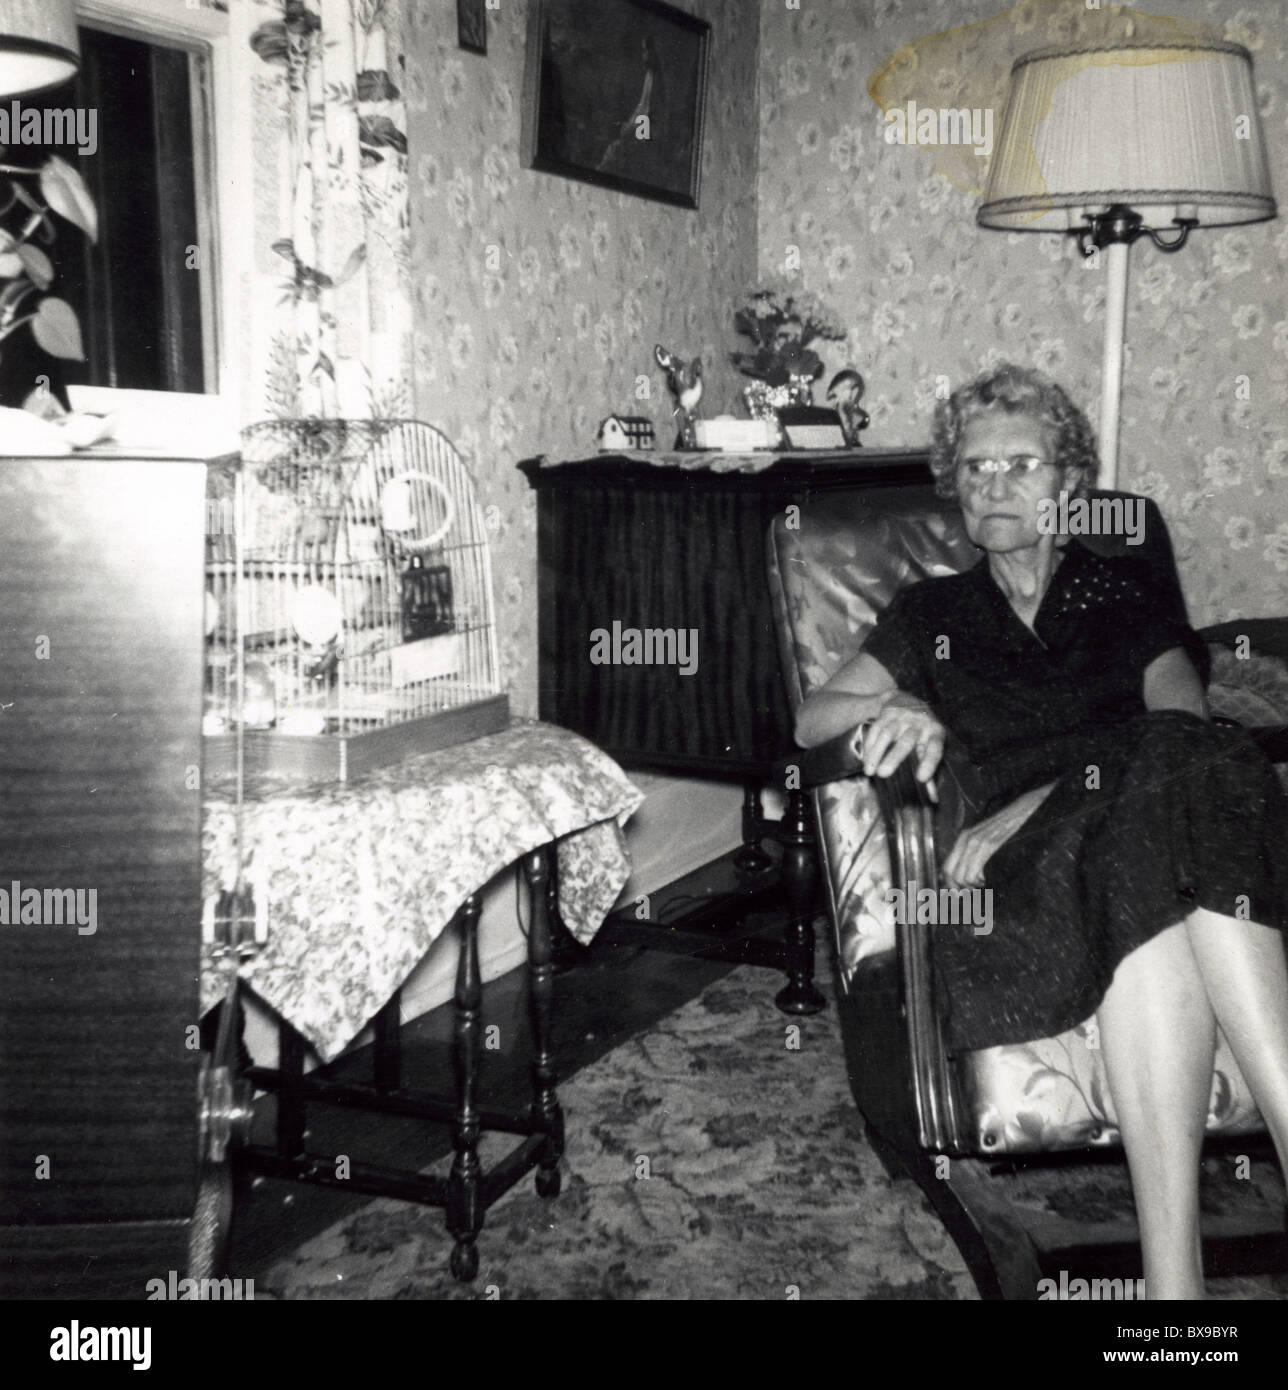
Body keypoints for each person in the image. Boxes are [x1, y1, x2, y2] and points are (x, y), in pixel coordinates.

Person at [795, 363, 1288, 1300]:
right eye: (975, 470)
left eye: (1019, 465)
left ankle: (1170, 1302)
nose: (992, 487)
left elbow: (1181, 732)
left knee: (1184, 813)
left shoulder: (1125, 601)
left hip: (1136, 854)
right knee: (1160, 841)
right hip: (1021, 886)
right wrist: (900, 698)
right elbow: (811, 720)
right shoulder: (932, 613)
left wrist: (1056, 793)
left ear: (1069, 484)